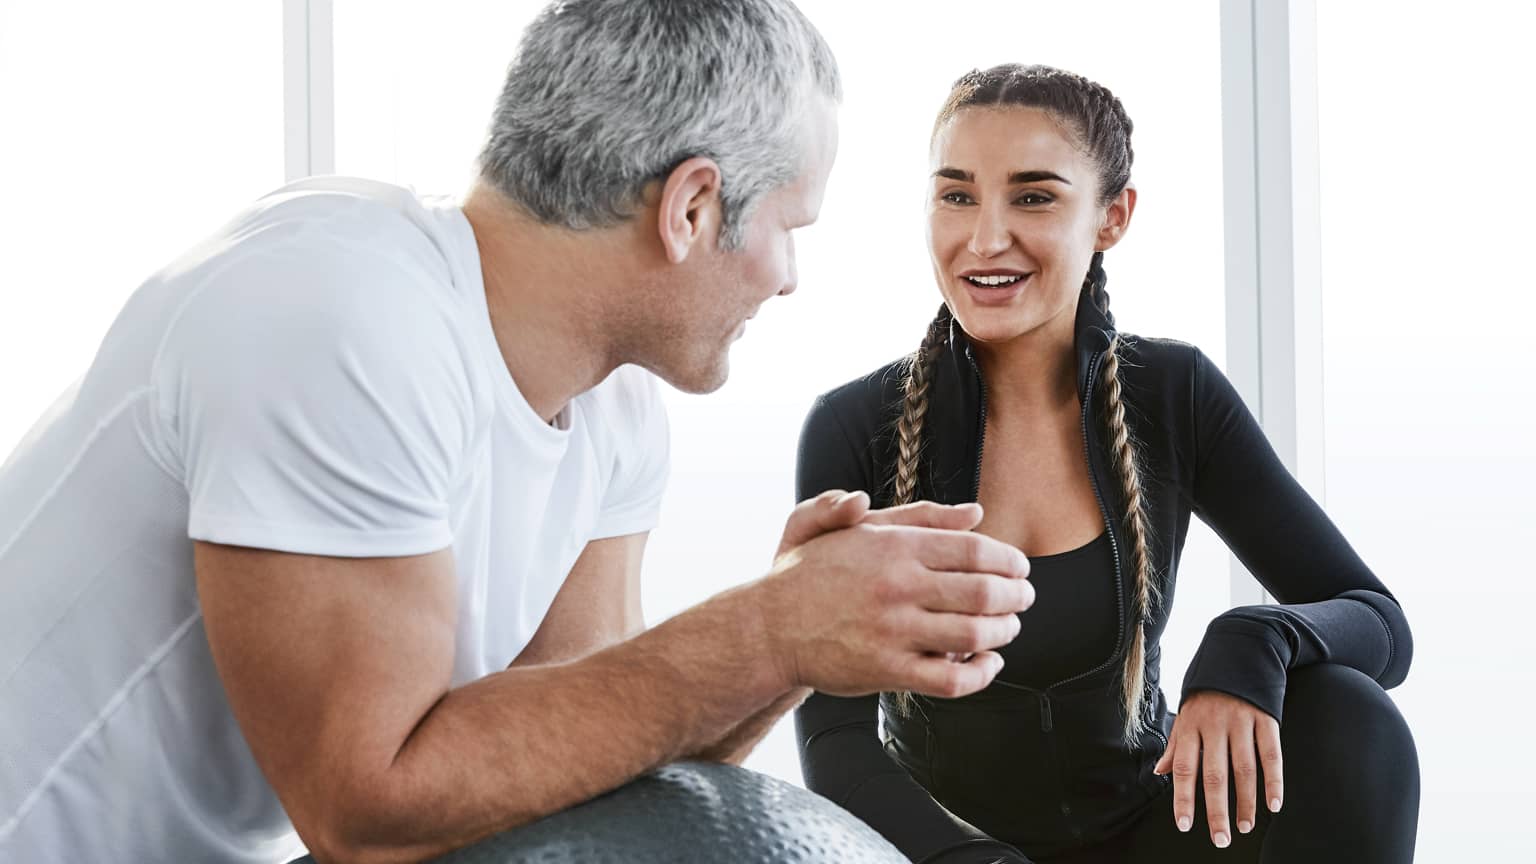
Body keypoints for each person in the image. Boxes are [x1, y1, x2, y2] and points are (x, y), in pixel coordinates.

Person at [0, 4, 1040, 861]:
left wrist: (796, 646)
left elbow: (577, 776)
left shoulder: (615, 405)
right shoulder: (337, 313)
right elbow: (365, 808)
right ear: (691, 208)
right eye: (790, 227)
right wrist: (763, 629)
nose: (788, 275)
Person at [793, 64, 1420, 864]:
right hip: (952, 858)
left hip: (1153, 835)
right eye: (956, 195)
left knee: (1348, 716)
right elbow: (836, 741)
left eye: (1033, 196)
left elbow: (1377, 621)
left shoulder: (1175, 393)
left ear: (1112, 217)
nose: (985, 238)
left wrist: (1253, 641)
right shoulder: (854, 425)